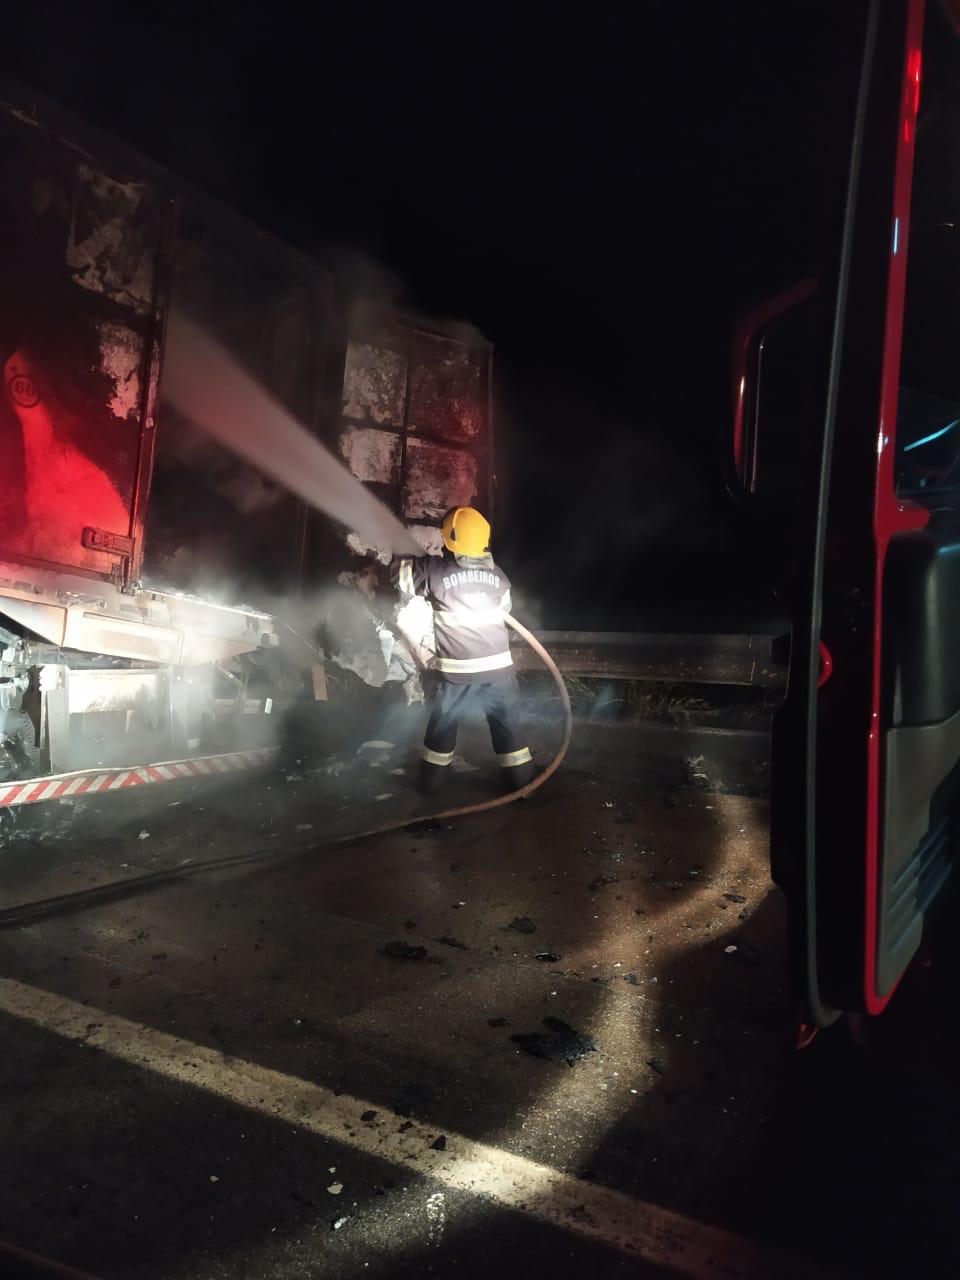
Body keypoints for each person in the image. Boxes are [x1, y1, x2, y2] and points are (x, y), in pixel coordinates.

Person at [393, 506, 535, 793]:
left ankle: (430, 785)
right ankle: (523, 782)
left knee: (443, 728)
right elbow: (504, 608)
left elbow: (401, 580)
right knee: (509, 728)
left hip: (458, 675)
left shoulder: (435, 571)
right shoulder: (499, 576)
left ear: (449, 540)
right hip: (499, 671)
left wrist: (402, 552)